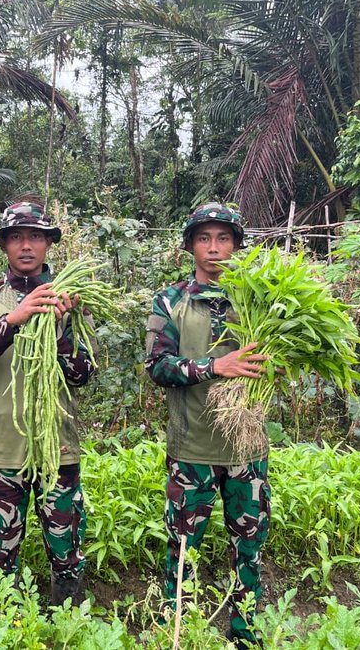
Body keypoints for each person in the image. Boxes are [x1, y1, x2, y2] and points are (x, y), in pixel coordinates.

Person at [0, 199, 95, 606]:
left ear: (49, 243)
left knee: (67, 553)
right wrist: (14, 319)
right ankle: (3, 624)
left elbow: (83, 373)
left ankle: (68, 622)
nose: (26, 245)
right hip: (3, 451)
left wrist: (59, 327)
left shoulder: (72, 301)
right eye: (16, 237)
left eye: (35, 236)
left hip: (58, 451)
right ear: (3, 245)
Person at [145, 202, 270, 646]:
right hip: (191, 449)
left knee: (249, 549)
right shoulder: (170, 300)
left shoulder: (259, 298)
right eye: (204, 238)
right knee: (182, 550)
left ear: (236, 245)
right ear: (190, 246)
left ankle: (245, 634)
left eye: (223, 238)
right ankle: (178, 631)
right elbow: (157, 366)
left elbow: (281, 357)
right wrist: (216, 366)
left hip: (247, 451)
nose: (214, 248)